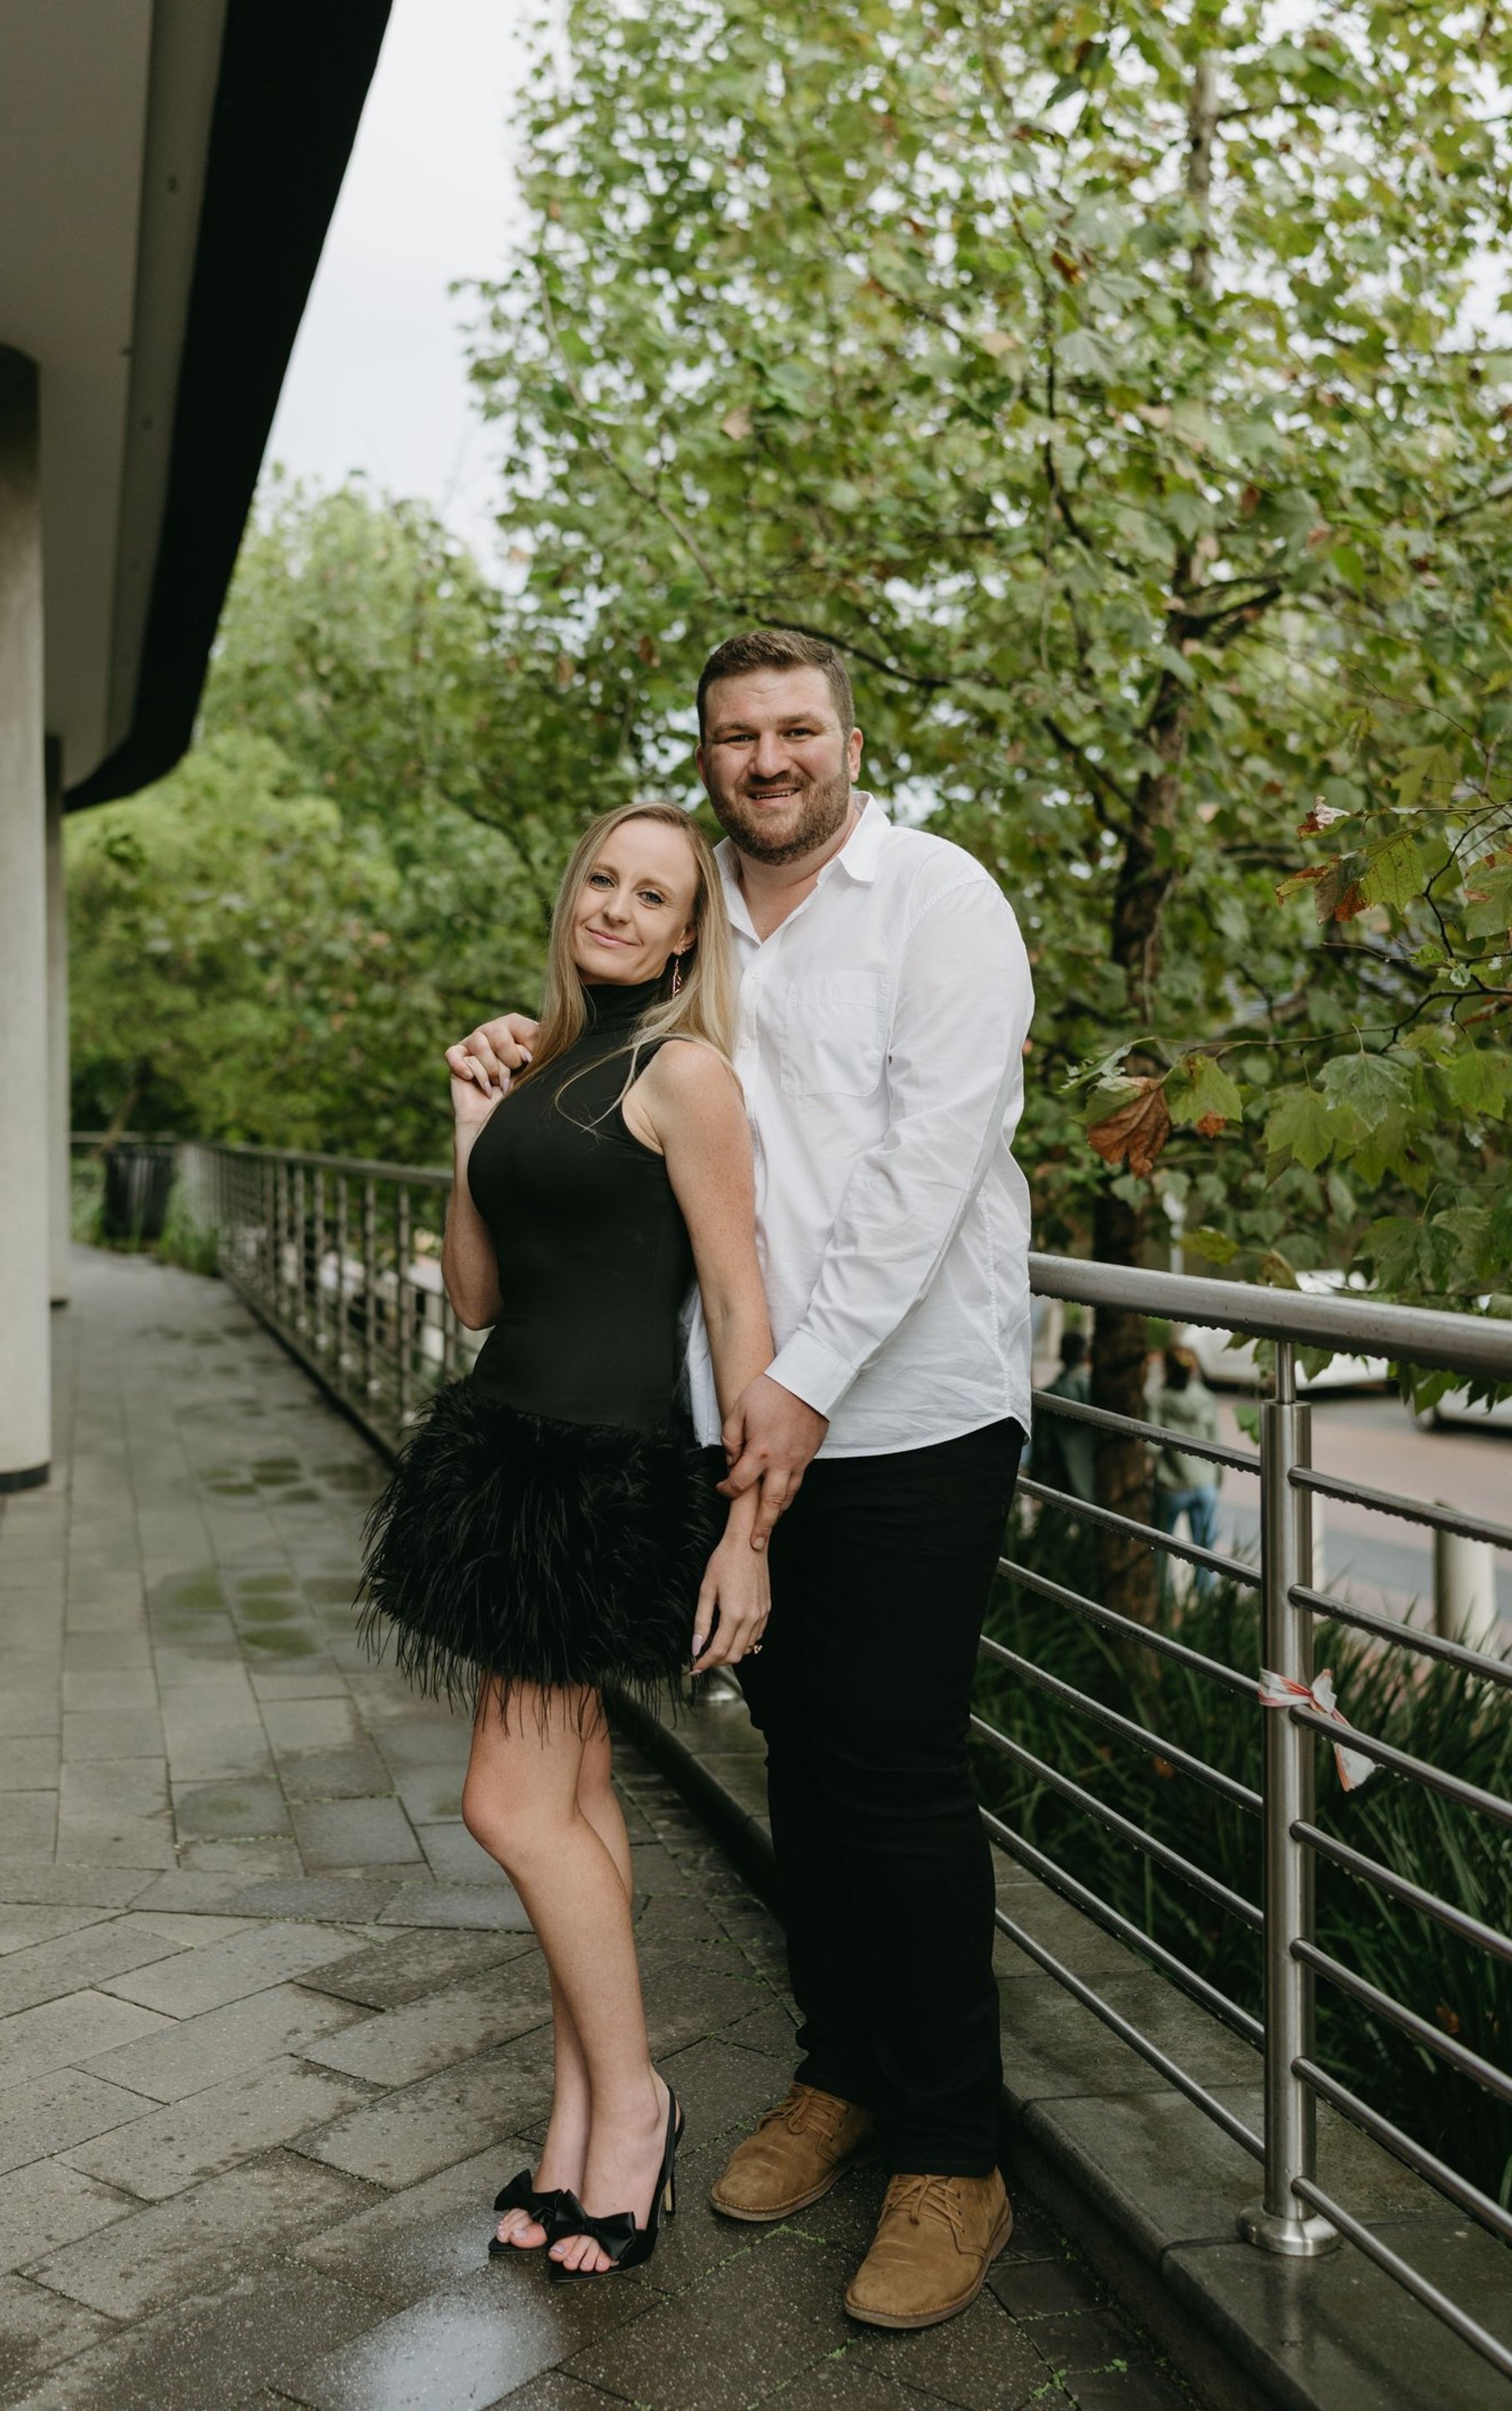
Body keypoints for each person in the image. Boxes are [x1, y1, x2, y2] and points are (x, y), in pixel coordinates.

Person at [453, 628, 1034, 2332]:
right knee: (802, 1758)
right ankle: (840, 2072)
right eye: (734, 735)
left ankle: (954, 2152)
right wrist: (516, 1064)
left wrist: (805, 1381)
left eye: (796, 729)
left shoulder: (938, 901)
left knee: (896, 1764)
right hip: (731, 1426)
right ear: (706, 752)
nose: (767, 759)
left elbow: (927, 1170)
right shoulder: (698, 909)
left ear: (851, 739)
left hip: (909, 1410)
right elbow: (627, 1100)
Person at [360, 801, 774, 2281]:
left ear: (686, 935)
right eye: (602, 877)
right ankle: (579, 2121)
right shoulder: (540, 1065)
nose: (616, 906)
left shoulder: (685, 1074)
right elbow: (479, 1297)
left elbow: (737, 1303)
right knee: (574, 1801)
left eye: (653, 895)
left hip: (597, 1482)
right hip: (504, 1458)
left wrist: (749, 1528)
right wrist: (472, 1127)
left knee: (509, 1807)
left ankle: (639, 2103)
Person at [1150, 1345, 1223, 1601]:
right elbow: (1216, 1443)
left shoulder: (1159, 1399)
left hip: (1171, 1485)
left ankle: (1164, 1604)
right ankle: (1205, 1606)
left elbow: (1152, 1446)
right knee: (1205, 1550)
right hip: (1205, 1485)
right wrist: (1216, 1479)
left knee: (1160, 1547)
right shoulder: (1206, 1398)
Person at [1028, 1329, 1094, 1504]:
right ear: (1085, 1355)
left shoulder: (1051, 1396)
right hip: (1092, 1481)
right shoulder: (1098, 1390)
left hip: (1059, 1482)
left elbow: (1042, 1445)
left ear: (1061, 1354)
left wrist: (1036, 1482)